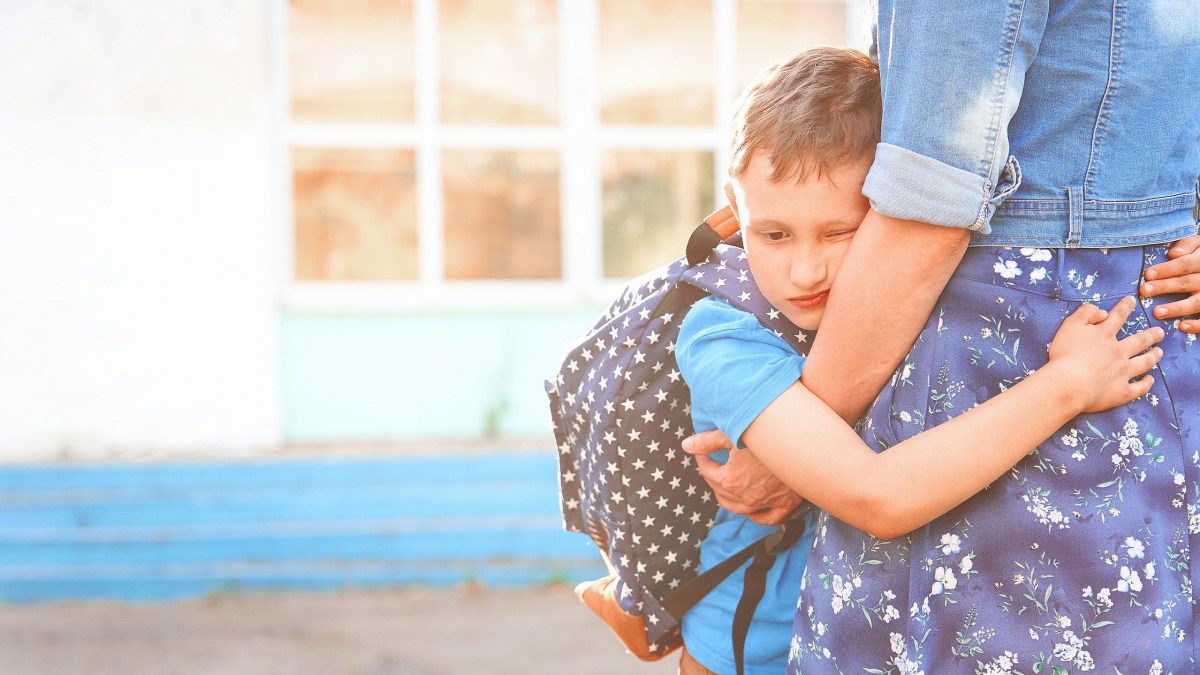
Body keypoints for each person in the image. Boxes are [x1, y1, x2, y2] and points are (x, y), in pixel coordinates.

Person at [685, 2, 1200, 671]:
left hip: (1026, 379)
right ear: (733, 211)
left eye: (842, 233)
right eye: (773, 233)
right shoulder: (728, 333)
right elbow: (876, 493)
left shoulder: (858, 302)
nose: (806, 267)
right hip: (738, 642)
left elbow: (932, 192)